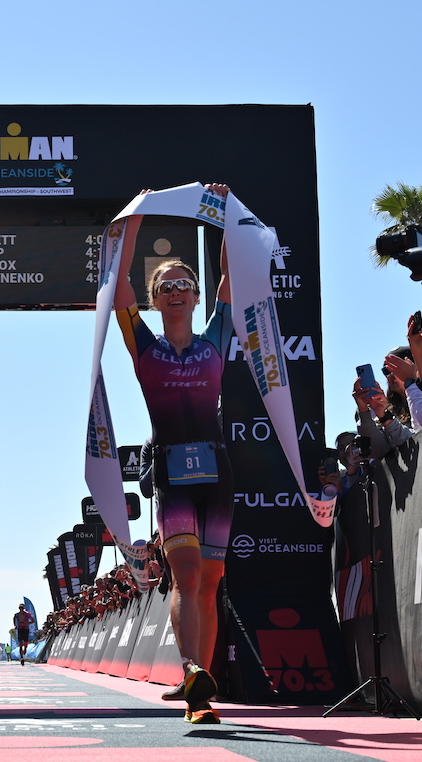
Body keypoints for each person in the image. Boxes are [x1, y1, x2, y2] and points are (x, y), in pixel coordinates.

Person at [113, 183, 233, 725]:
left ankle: (201, 687)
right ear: (156, 299)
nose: (178, 291)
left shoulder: (216, 339)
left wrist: (224, 215)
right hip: (170, 469)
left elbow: (232, 280)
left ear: (195, 295)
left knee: (209, 582)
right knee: (185, 574)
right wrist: (135, 220)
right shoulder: (146, 345)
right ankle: (191, 676)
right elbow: (117, 295)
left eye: (186, 283)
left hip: (217, 467)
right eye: (167, 286)